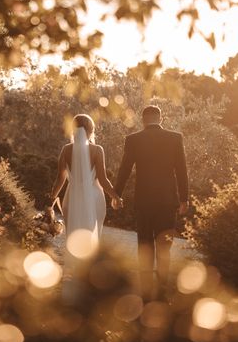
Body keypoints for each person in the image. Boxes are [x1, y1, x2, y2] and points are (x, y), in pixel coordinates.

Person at [115, 105, 189, 301]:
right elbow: (182, 170)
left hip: (144, 201)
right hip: (167, 201)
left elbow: (124, 169)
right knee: (165, 245)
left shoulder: (133, 140)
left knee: (145, 244)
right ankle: (163, 290)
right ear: (160, 118)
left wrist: (116, 195)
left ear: (143, 120)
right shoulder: (175, 138)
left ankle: (146, 290)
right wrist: (184, 199)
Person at [49, 114, 121, 297]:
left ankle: (73, 276)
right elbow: (103, 180)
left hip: (71, 198)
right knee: (93, 233)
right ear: (91, 130)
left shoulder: (66, 150)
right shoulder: (97, 150)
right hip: (94, 197)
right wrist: (116, 197)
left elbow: (60, 179)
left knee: (73, 234)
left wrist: (51, 198)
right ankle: (90, 275)